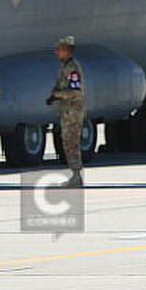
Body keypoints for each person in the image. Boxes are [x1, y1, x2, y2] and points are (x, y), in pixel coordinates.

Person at [47, 36, 87, 188]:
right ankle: (75, 174)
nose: (56, 52)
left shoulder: (72, 69)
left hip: (73, 112)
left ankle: (76, 175)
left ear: (66, 51)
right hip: (67, 112)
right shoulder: (65, 67)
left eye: (59, 49)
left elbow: (76, 91)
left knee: (71, 143)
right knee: (68, 143)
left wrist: (57, 94)